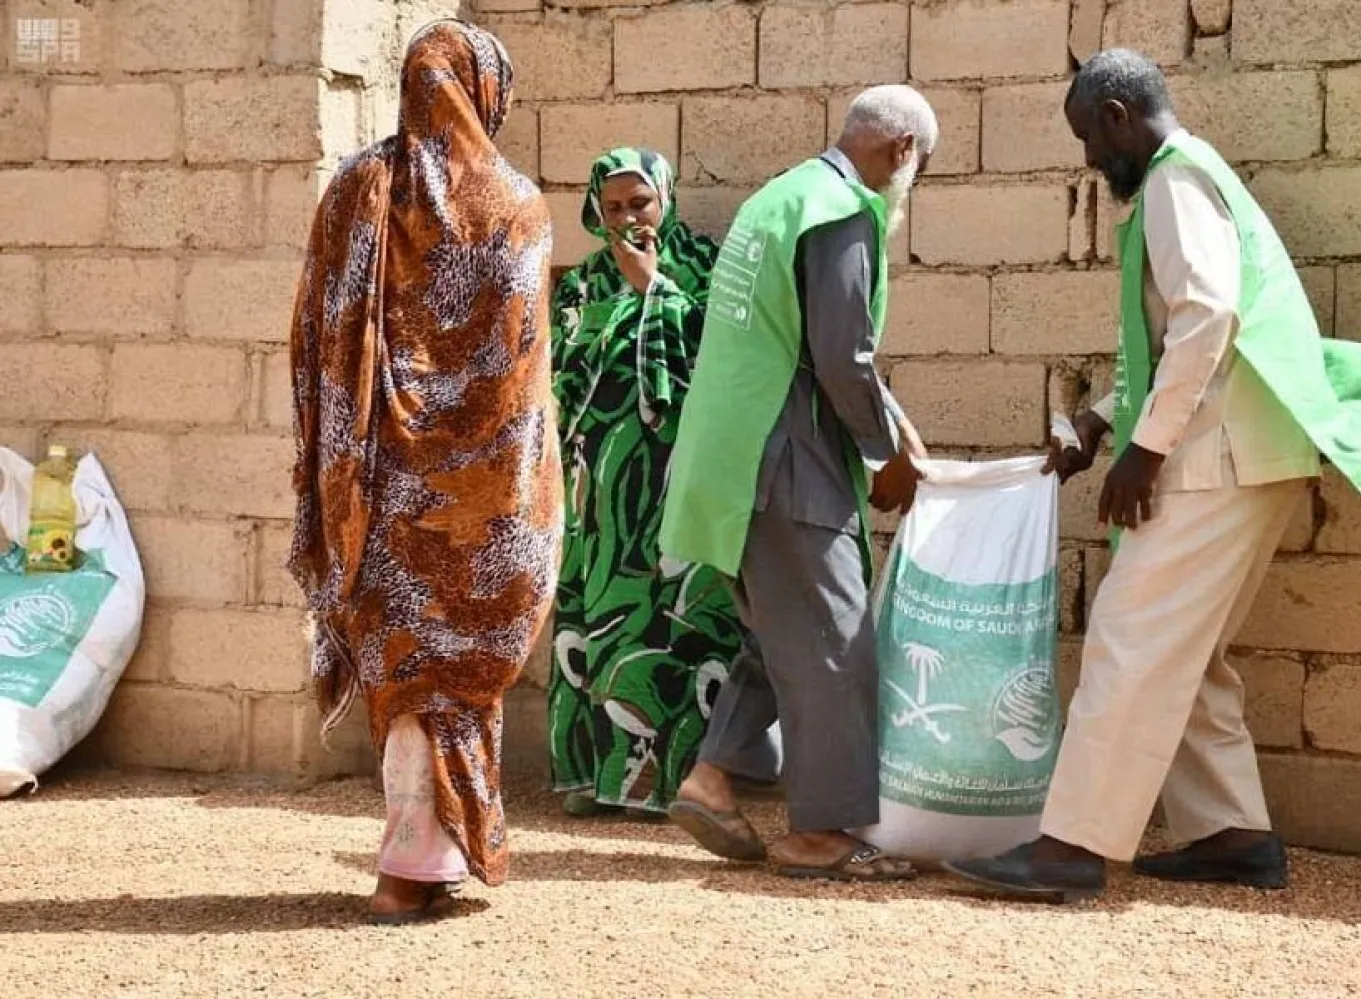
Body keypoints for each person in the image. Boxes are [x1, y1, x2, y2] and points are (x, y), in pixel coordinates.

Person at [945, 49, 1361, 903]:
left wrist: (1143, 449)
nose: (1087, 159)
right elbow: (1186, 333)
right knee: (1188, 651)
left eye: (1088, 136)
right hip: (1249, 451)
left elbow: (1207, 317)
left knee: (1129, 634)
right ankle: (1231, 833)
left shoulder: (1170, 181)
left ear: (1119, 115)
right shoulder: (1192, 176)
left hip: (1211, 458)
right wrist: (1097, 418)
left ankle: (1071, 846)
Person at [287, 20, 562, 924]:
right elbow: (519, 379)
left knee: (410, 672)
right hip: (481, 505)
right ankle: (410, 868)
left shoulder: (356, 190)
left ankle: (422, 856)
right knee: (456, 678)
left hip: (377, 490)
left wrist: (341, 459)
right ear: (487, 92)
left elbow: (315, 336)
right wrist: (524, 494)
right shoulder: (515, 206)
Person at [658, 85, 939, 883]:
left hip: (731, 453)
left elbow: (805, 338)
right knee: (836, 643)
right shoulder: (844, 211)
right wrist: (885, 455)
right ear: (902, 151)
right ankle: (824, 831)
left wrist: (895, 422)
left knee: (779, 634)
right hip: (782, 461)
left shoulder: (782, 196)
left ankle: (713, 780)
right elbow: (843, 354)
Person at [547, 148, 779, 819]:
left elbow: (728, 355)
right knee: (606, 624)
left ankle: (678, 780)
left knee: (679, 626)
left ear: (666, 198)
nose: (627, 218)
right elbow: (563, 371)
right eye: (613, 206)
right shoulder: (584, 284)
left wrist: (654, 288)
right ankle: (600, 779)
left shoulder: (706, 269)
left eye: (639, 203)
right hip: (604, 494)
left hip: (683, 481)